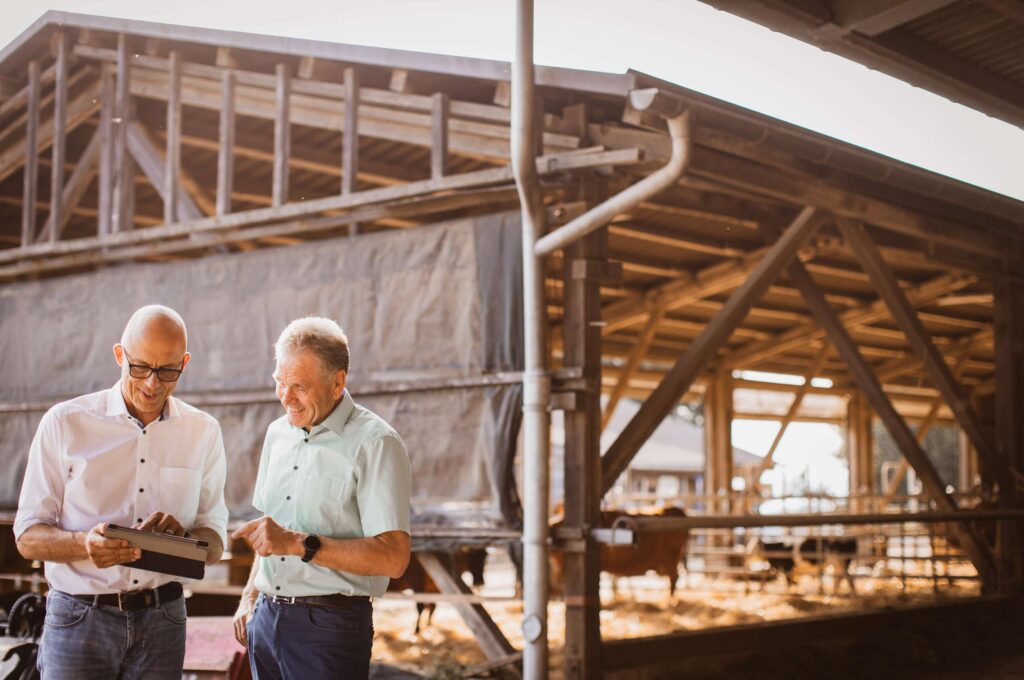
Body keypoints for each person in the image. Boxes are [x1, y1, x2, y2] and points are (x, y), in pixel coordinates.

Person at [14, 305, 229, 680]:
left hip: (163, 623)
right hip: (79, 619)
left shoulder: (203, 431)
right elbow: (27, 538)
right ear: (119, 355)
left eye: (167, 370)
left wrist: (186, 540)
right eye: (140, 367)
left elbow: (214, 542)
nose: (152, 384)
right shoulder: (65, 423)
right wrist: (84, 544)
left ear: (185, 363)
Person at [231, 316, 411, 680]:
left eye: (299, 386)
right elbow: (270, 533)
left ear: (338, 382)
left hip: (329, 628)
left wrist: (299, 544)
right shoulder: (276, 434)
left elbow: (394, 558)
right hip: (265, 619)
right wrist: (250, 597)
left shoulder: (376, 443)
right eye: (279, 382)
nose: (285, 397)